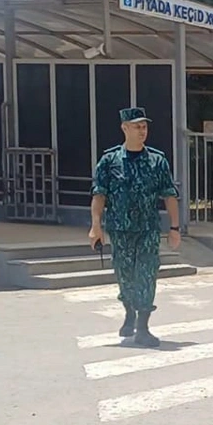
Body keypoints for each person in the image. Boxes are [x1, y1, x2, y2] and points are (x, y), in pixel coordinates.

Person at [88, 107, 181, 349]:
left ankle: (143, 327)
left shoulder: (157, 161)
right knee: (124, 275)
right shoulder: (109, 161)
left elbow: (169, 195)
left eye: (144, 126)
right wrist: (96, 227)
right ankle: (129, 311)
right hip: (120, 230)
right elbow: (99, 195)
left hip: (148, 229)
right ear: (124, 128)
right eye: (137, 126)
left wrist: (174, 227)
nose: (142, 131)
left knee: (147, 275)